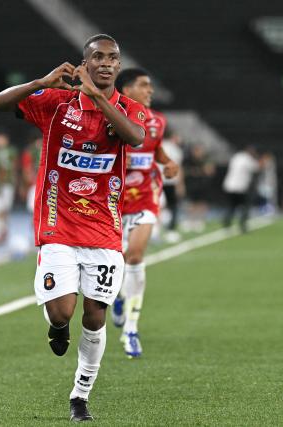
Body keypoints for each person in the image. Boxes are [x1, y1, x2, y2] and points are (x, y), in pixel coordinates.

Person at [0, 33, 146, 422]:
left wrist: (97, 98)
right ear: (85, 63)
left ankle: (80, 394)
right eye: (98, 57)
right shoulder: (58, 105)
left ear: (119, 66)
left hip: (105, 234)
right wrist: (39, 84)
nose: (106, 63)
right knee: (63, 313)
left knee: (94, 318)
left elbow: (135, 137)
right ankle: (57, 328)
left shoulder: (129, 109)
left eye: (113, 58)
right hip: (57, 227)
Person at [110, 68, 179, 358]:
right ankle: (117, 295)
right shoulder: (108, 116)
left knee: (135, 256)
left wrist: (168, 162)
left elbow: (155, 150)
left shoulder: (156, 121)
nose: (150, 91)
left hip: (147, 198)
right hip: (112, 201)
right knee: (115, 262)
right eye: (143, 86)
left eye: (150, 86)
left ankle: (131, 329)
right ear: (126, 90)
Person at [222, 145, 259, 233]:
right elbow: (256, 168)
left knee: (231, 206)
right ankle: (243, 225)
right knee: (246, 206)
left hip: (229, 185)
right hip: (240, 187)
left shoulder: (236, 157)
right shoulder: (248, 159)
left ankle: (226, 224)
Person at [183, 144, 215, 232]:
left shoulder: (206, 159)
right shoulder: (188, 160)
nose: (197, 153)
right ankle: (190, 221)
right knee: (191, 204)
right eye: (195, 151)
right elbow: (184, 171)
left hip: (203, 185)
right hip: (191, 185)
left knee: (202, 203)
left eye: (199, 151)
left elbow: (210, 171)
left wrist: (198, 171)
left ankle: (200, 221)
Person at [0, 131, 18, 242]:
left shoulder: (11, 151)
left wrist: (16, 181)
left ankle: (3, 230)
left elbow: (14, 167)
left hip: (7, 183)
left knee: (4, 209)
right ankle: (0, 231)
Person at [160, 129, 185, 237]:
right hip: (171, 181)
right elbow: (178, 168)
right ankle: (171, 229)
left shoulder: (158, 146)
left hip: (157, 180)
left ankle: (155, 230)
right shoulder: (176, 149)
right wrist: (180, 184)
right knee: (173, 206)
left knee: (156, 205)